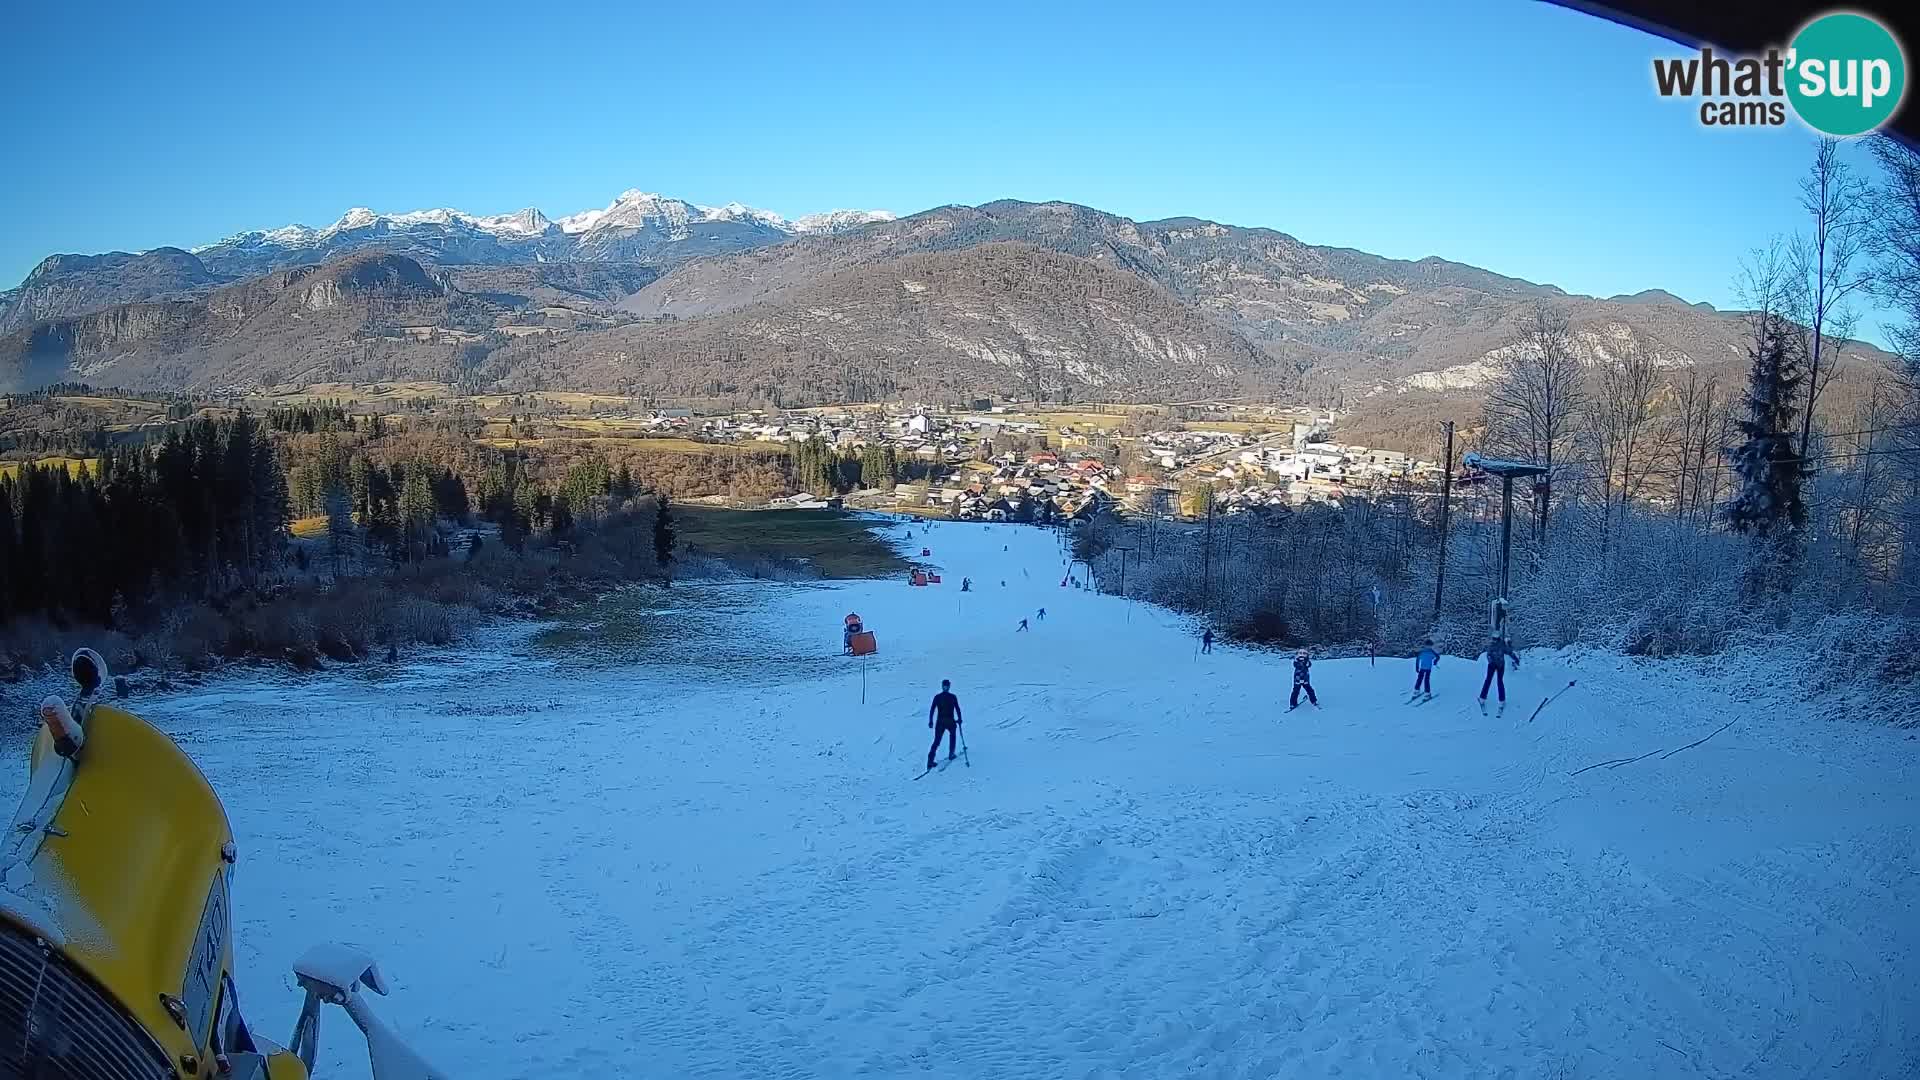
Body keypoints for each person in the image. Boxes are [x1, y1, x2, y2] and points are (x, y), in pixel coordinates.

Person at [1479, 633, 1520, 709]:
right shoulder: (1491, 645)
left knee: (1499, 682)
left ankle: (1502, 700)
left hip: (1500, 666)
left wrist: (1515, 658)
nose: (1494, 640)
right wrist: (1490, 661)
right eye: (1493, 638)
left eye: (1495, 639)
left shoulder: (1502, 645)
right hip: (1492, 665)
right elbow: (1488, 654)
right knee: (1488, 680)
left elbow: (1509, 652)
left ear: (1498, 639)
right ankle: (1482, 697)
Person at [927, 679, 962, 769]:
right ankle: (951, 754)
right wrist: (960, 719)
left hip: (941, 722)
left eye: (946, 686)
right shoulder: (952, 697)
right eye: (945, 686)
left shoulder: (938, 697)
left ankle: (930, 761)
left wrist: (931, 721)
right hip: (949, 721)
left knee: (937, 741)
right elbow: (957, 709)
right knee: (952, 736)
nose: (946, 687)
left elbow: (932, 709)